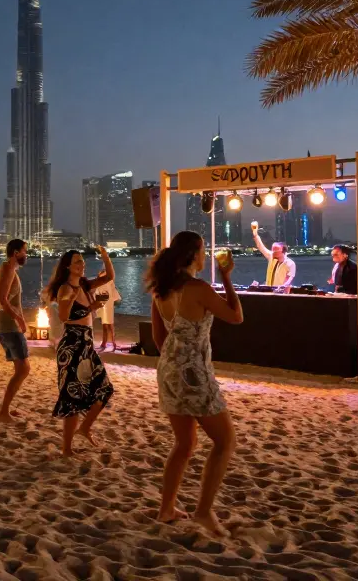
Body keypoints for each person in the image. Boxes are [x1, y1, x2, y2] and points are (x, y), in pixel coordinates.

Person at [149, 230, 245, 538]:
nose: (206, 255)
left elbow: (158, 338)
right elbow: (236, 316)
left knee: (185, 443)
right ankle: (203, 512)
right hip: (195, 374)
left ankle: (166, 508)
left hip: (169, 371)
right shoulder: (198, 288)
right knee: (225, 441)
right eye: (203, 250)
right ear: (194, 254)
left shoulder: (161, 289)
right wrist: (227, 278)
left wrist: (174, 361)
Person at [47, 246, 116, 457]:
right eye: (77, 261)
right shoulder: (65, 289)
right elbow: (64, 317)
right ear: (68, 266)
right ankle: (67, 449)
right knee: (73, 397)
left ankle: (85, 428)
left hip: (87, 344)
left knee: (105, 388)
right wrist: (90, 307)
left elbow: (109, 277)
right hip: (72, 345)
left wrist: (105, 256)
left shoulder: (85, 285)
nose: (82, 264)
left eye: (82, 261)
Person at [0, 238, 30, 423]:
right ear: (16, 253)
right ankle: (3, 412)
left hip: (5, 326)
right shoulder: (8, 268)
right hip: (9, 326)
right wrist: (20, 319)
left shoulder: (7, 268)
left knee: (21, 369)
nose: (26, 255)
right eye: (24, 251)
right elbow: (3, 299)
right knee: (23, 369)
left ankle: (5, 409)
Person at [251, 223, 296, 290]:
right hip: (269, 291)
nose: (273, 252)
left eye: (276, 250)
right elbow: (261, 247)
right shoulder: (271, 257)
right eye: (273, 250)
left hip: (281, 292)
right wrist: (255, 234)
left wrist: (282, 288)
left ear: (283, 251)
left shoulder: (290, 264)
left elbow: (289, 279)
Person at [96, 278, 122, 352]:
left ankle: (112, 343)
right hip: (104, 303)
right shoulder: (102, 282)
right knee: (106, 324)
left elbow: (112, 292)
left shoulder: (108, 281)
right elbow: (98, 293)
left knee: (109, 324)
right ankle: (106, 343)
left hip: (107, 304)